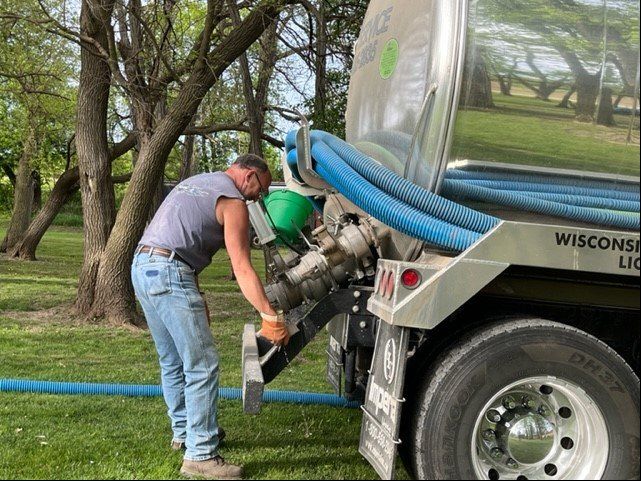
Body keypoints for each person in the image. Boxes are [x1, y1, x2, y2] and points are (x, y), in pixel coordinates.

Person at [131, 154, 289, 480]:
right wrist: (270, 316)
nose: (260, 195)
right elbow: (242, 267)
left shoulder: (197, 183)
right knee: (202, 365)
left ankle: (184, 433)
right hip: (170, 273)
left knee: (172, 361)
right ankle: (200, 455)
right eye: (262, 187)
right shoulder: (233, 201)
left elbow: (181, 236)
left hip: (144, 267)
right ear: (248, 175)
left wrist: (196, 293)